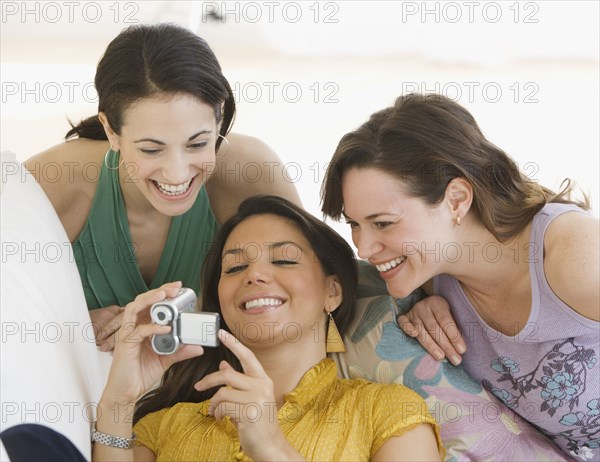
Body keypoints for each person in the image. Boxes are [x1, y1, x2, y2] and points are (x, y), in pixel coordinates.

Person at [321, 93, 599, 459]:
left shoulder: (573, 257)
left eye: (383, 223)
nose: (364, 248)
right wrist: (419, 303)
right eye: (355, 224)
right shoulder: (429, 279)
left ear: (456, 200)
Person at [93, 195, 443, 461]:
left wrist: (273, 448)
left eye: (284, 260)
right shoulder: (164, 426)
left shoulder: (388, 412)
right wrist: (119, 400)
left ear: (332, 291)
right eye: (233, 268)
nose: (254, 274)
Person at [24, 23, 300, 351]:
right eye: (151, 150)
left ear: (218, 118)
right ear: (111, 131)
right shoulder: (50, 181)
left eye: (198, 143)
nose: (177, 172)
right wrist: (69, 326)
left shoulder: (250, 171)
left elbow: (309, 293)